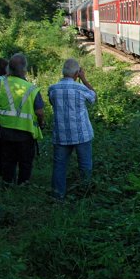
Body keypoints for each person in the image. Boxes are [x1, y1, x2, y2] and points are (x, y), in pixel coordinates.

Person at [0, 53, 44, 185]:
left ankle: (7, 185)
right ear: (24, 69)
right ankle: (23, 185)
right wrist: (41, 123)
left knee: (7, 161)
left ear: (8, 69)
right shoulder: (31, 88)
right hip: (26, 132)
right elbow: (39, 112)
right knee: (25, 162)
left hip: (5, 132)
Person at [47, 59, 96, 200]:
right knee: (85, 165)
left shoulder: (52, 89)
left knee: (59, 165)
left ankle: (58, 195)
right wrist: (84, 79)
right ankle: (85, 195)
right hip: (82, 134)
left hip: (61, 135)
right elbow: (93, 98)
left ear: (63, 72)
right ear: (76, 73)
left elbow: (52, 103)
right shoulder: (81, 89)